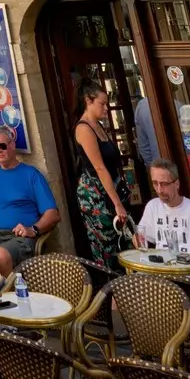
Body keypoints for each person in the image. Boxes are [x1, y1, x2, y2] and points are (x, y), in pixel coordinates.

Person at [0, 124, 60, 276]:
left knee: (1, 255)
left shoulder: (31, 174)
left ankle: (8, 298)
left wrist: (33, 229)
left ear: (12, 145)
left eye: (2, 146)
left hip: (19, 237)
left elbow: (53, 214)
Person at [73, 81, 133, 267]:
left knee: (124, 241)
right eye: (102, 103)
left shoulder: (98, 125)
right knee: (107, 246)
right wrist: (116, 204)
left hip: (111, 188)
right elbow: (99, 168)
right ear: (88, 101)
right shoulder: (84, 128)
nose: (106, 108)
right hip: (96, 194)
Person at [135, 156, 190, 259]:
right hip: (159, 269)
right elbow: (141, 238)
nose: (159, 190)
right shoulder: (153, 206)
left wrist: (186, 261)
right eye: (155, 183)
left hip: (187, 271)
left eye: (164, 184)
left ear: (177, 184)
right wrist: (137, 239)